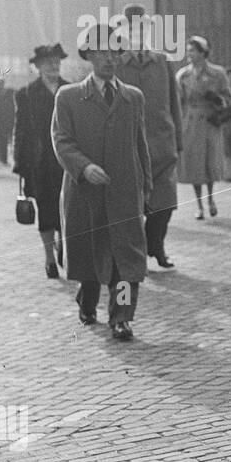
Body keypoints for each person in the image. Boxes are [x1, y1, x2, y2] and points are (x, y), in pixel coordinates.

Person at [52, 31, 151, 341]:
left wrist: (146, 188)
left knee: (125, 261)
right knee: (91, 256)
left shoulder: (133, 97)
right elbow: (61, 140)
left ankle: (121, 318)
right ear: (89, 56)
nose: (110, 57)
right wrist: (84, 167)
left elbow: (140, 145)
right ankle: (87, 299)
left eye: (115, 52)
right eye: (102, 52)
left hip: (123, 192)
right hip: (85, 193)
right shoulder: (68, 96)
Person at [114, 4, 182, 269]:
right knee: (133, 206)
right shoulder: (117, 62)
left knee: (165, 203)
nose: (138, 32)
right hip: (130, 146)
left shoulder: (163, 61)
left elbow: (174, 103)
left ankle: (157, 246)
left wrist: (178, 142)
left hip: (162, 143)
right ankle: (138, 251)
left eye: (142, 27)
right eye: (132, 28)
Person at [12, 44, 69, 278]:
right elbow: (21, 131)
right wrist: (20, 164)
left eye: (56, 61)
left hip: (66, 161)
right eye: (48, 62)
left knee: (66, 209)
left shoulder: (71, 90)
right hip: (40, 163)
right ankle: (49, 259)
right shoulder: (26, 94)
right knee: (46, 211)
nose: (53, 66)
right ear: (37, 67)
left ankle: (64, 247)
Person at [175, 35, 231, 220]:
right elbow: (178, 102)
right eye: (188, 50)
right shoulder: (183, 75)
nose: (188, 54)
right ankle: (199, 204)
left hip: (210, 121)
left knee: (210, 162)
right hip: (190, 124)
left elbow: (229, 98)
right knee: (195, 165)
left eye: (192, 50)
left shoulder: (218, 73)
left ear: (202, 52)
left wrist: (217, 100)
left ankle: (211, 199)